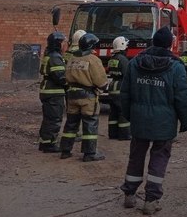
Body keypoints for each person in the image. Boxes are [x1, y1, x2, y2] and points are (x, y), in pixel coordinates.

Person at [119, 26, 187, 215]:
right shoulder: (176, 67)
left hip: (139, 120)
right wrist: (185, 121)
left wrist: (129, 115)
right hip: (164, 122)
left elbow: (125, 93)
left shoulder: (135, 63)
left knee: (136, 155)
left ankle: (129, 195)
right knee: (159, 157)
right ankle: (151, 200)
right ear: (170, 44)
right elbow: (182, 97)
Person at [60, 33, 109, 161]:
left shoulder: (72, 58)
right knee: (90, 123)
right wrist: (104, 87)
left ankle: (65, 150)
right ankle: (90, 153)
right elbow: (101, 81)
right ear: (91, 46)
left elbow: (66, 77)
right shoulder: (93, 59)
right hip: (87, 97)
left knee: (71, 124)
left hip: (71, 95)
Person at [38, 31, 67, 153]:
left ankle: (44, 142)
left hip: (47, 90)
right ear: (57, 43)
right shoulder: (55, 57)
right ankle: (50, 144)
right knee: (54, 118)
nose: (63, 45)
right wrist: (70, 83)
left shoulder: (48, 54)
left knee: (48, 118)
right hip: (54, 92)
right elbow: (60, 76)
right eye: (62, 42)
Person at [107, 36, 131, 140]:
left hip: (112, 87)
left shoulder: (112, 59)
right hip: (120, 88)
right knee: (123, 111)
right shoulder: (123, 59)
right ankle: (124, 135)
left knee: (113, 112)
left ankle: (113, 134)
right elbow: (127, 75)